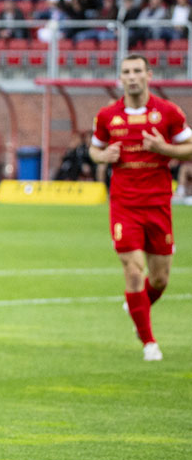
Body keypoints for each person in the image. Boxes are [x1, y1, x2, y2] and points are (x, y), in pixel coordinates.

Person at [90, 53, 192, 361]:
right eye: (126, 72)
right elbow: (95, 149)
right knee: (133, 270)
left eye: (137, 71)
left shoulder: (168, 112)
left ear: (149, 75)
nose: (132, 77)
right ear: (120, 78)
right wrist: (103, 156)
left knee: (160, 279)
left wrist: (164, 148)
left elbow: (189, 148)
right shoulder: (107, 116)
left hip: (158, 204)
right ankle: (149, 342)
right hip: (124, 204)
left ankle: (137, 308)